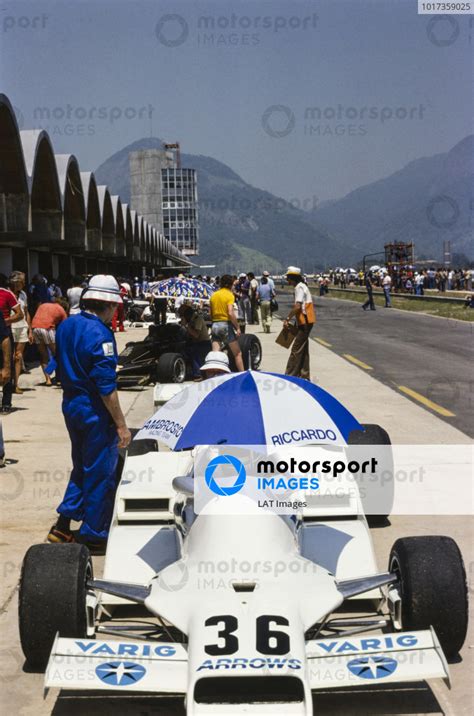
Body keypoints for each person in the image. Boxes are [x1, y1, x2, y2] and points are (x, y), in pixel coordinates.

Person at [47, 275, 131, 549]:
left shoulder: (67, 325)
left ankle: (63, 523)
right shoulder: (101, 333)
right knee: (100, 473)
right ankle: (95, 534)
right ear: (108, 305)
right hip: (94, 410)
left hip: (71, 405)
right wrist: (121, 425)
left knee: (83, 467)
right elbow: (106, 386)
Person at [284, 267, 315, 380]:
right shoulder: (302, 286)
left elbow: (297, 306)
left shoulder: (299, 287)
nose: (288, 281)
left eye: (288, 278)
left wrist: (288, 318)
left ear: (293, 278)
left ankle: (290, 375)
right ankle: (304, 374)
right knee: (303, 349)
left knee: (296, 350)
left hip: (305, 322)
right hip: (305, 321)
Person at [210, 274, 244, 371]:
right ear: (230, 284)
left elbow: (211, 312)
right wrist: (237, 327)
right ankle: (242, 374)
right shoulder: (229, 295)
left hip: (215, 325)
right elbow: (230, 312)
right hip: (225, 324)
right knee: (237, 353)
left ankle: (215, 375)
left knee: (215, 355)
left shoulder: (214, 295)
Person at [31, 298, 68, 386]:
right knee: (57, 355)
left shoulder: (43, 305)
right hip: (47, 329)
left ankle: (48, 380)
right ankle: (59, 379)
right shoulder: (61, 309)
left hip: (35, 328)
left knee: (44, 356)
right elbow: (66, 326)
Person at [0, 273, 23, 411]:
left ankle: (6, 402)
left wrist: (4, 322)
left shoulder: (7, 294)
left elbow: (19, 314)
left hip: (4, 334)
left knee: (6, 365)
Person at [9, 272, 33, 393]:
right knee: (9, 356)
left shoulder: (23, 294)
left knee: (18, 356)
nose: (24, 283)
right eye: (22, 281)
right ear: (15, 282)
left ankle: (15, 384)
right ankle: (7, 383)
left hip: (22, 327)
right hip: (10, 327)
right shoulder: (7, 293)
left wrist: (30, 330)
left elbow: (26, 311)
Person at [179, 304, 212, 379]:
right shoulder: (191, 320)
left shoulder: (198, 319)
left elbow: (196, 335)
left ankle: (198, 374)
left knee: (194, 352)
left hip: (204, 343)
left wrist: (186, 326)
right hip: (195, 342)